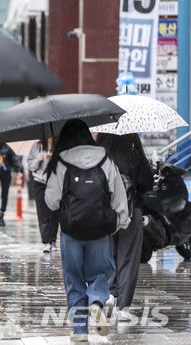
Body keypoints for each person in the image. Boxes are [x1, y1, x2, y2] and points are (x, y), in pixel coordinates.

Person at [44, 119, 130, 342]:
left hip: (71, 231)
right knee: (99, 273)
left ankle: (80, 331)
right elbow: (117, 192)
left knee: (74, 279)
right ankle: (96, 302)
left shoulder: (61, 161)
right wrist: (122, 220)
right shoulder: (104, 158)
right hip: (101, 229)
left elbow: (51, 201)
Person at [96, 133, 153, 318]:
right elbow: (147, 184)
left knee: (107, 255)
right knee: (128, 258)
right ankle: (123, 306)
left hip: (105, 212)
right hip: (131, 210)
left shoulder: (99, 154)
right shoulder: (134, 154)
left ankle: (110, 295)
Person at [28, 138, 59, 253]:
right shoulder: (37, 146)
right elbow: (31, 166)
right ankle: (46, 241)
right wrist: (38, 160)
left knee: (54, 212)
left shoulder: (59, 145)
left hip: (55, 182)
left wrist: (54, 160)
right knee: (43, 212)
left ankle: (53, 240)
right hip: (40, 183)